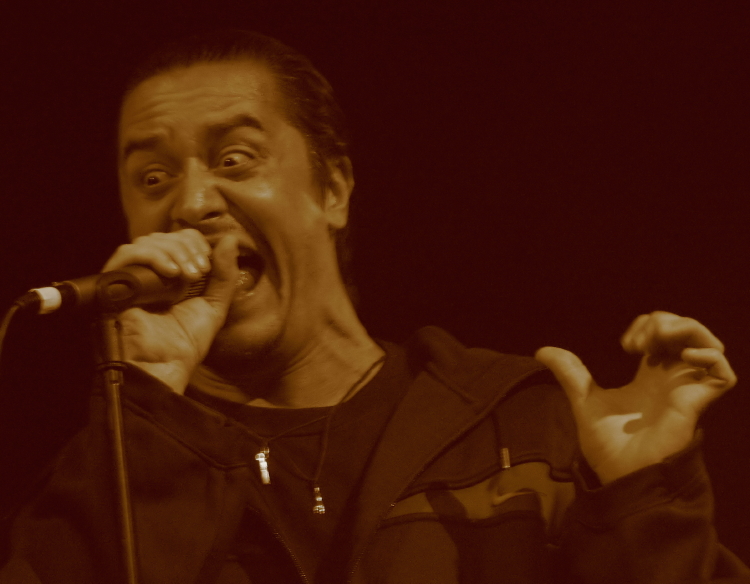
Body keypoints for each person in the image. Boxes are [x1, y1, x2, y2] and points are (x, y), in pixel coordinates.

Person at [1, 30, 748, 584]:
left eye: (234, 160)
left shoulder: (525, 431)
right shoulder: (108, 470)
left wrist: (646, 501)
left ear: (332, 189)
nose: (191, 203)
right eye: (153, 178)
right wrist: (148, 418)